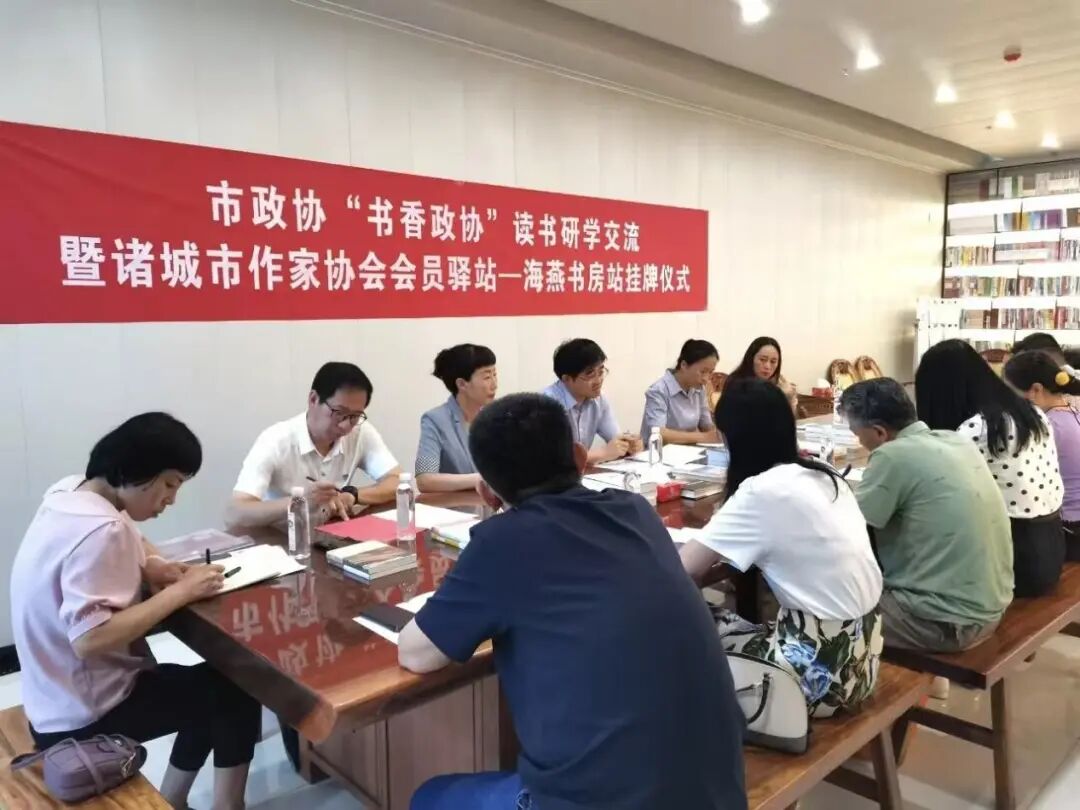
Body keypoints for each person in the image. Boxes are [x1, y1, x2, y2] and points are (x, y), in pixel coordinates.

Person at [399, 394, 747, 810]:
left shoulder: (502, 542)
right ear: (580, 458)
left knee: (429, 797)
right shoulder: (636, 512)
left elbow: (416, 653)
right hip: (719, 790)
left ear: (487, 493)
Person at [10, 413, 261, 810]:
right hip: (83, 716)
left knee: (211, 688)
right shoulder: (101, 531)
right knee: (239, 689)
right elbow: (90, 639)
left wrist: (154, 565)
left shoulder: (71, 493)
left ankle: (175, 799)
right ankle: (229, 806)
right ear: (136, 470)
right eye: (169, 484)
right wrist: (180, 591)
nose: (171, 499)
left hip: (51, 698)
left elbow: (129, 532)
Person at [680, 378, 883, 717]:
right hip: (863, 661)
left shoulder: (761, 490)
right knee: (725, 621)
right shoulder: (825, 474)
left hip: (815, 677)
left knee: (684, 627)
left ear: (732, 439)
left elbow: (683, 570)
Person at [840, 379, 1013, 654]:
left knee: (812, 605)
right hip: (991, 606)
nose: (858, 441)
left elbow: (847, 529)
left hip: (942, 622)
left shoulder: (891, 456)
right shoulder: (956, 441)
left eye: (857, 434)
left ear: (879, 432)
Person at [916, 339, 1064, 597]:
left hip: (1013, 561)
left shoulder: (978, 428)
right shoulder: (1030, 412)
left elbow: (936, 494)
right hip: (1051, 547)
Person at [226, 362, 401, 530]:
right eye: (339, 413)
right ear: (313, 399)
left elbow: (400, 482)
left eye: (355, 416)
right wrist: (300, 501)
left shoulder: (360, 432)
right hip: (282, 539)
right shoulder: (275, 440)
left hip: (332, 535)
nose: (346, 425)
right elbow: (235, 512)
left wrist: (352, 495)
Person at [1004, 350, 1080, 562]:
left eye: (1010, 392)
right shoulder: (1073, 413)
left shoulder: (1046, 427)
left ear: (1036, 389)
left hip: (1069, 531)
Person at [541, 338, 643, 463]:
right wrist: (603, 453)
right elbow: (553, 461)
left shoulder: (599, 400)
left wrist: (628, 446)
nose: (598, 380)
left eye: (601, 371)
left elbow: (616, 441)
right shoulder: (546, 405)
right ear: (566, 379)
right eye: (590, 374)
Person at [415, 344, 498, 493]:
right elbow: (425, 479)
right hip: (458, 506)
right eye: (486, 377)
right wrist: (482, 479)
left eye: (495, 375)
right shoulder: (435, 420)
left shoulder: (497, 416)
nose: (494, 384)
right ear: (461, 384)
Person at [640, 339, 720, 445]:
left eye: (710, 372)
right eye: (703, 371)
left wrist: (718, 434)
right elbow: (658, 433)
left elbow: (706, 426)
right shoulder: (658, 390)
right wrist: (703, 437)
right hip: (659, 452)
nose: (706, 379)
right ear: (684, 365)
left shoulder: (699, 389)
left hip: (689, 451)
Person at [726, 336, 798, 412]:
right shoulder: (736, 383)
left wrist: (789, 399)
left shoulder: (780, 383)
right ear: (751, 358)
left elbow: (789, 417)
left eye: (773, 362)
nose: (767, 366)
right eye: (763, 360)